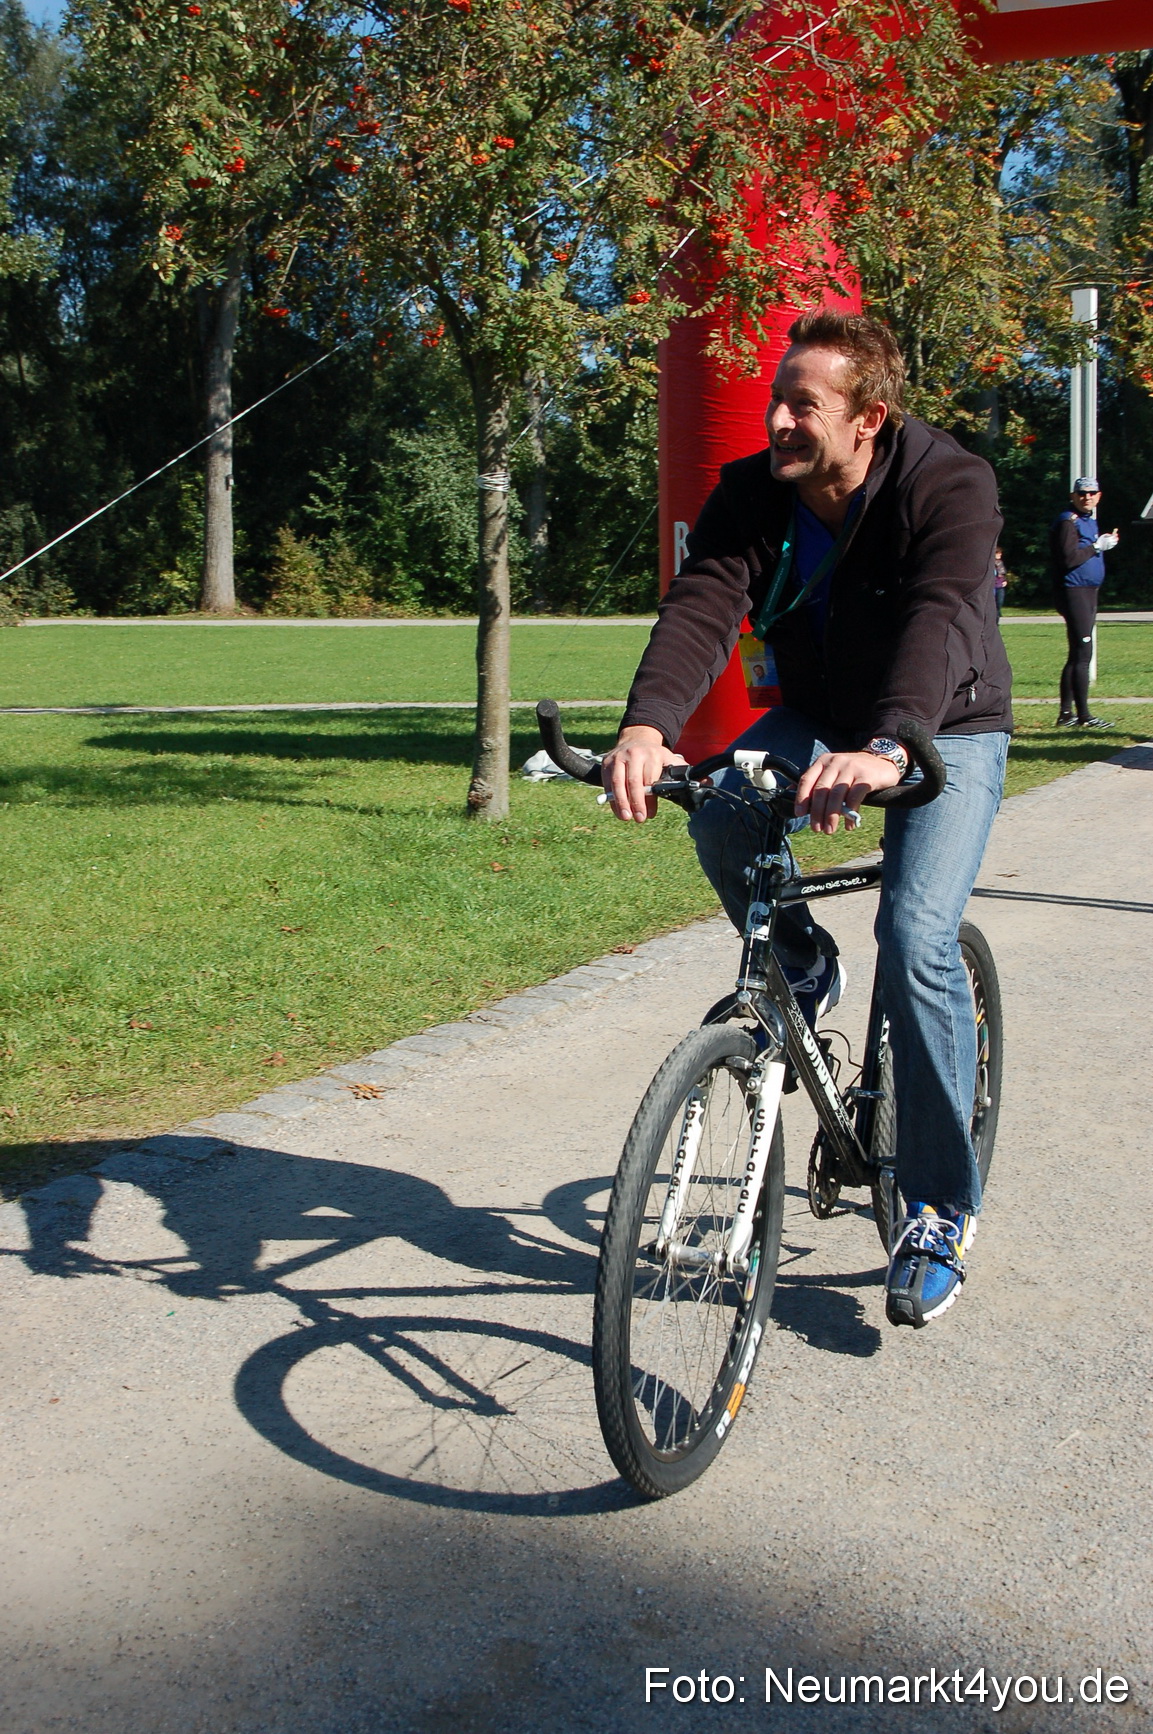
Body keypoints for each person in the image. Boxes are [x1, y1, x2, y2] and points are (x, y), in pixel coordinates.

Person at [601, 311, 1012, 1331]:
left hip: (943, 731)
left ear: (869, 418)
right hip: (816, 719)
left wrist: (889, 745)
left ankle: (935, 1210)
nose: (777, 420)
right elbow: (701, 605)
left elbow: (941, 615)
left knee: (915, 937)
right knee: (720, 803)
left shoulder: (947, 483)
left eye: (802, 406)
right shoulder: (754, 493)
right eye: (776, 400)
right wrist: (647, 727)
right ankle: (798, 970)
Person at [1050, 478, 1119, 729]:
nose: (1086, 497)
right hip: (1074, 590)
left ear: (1099, 496)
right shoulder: (1069, 521)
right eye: (1082, 493)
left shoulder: (1089, 520)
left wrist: (1103, 545)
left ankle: (1066, 713)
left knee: (1077, 653)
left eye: (1091, 493)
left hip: (1088, 590)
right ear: (1073, 495)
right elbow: (1068, 558)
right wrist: (1095, 547)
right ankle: (1084, 716)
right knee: (1083, 652)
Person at [993, 546, 1008, 618]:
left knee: (1000, 602)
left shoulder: (1000, 563)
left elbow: (1002, 573)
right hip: (992, 586)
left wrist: (1004, 580)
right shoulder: (990, 564)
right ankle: (995, 617)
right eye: (998, 553)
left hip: (1000, 585)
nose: (1000, 555)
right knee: (993, 602)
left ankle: (997, 612)